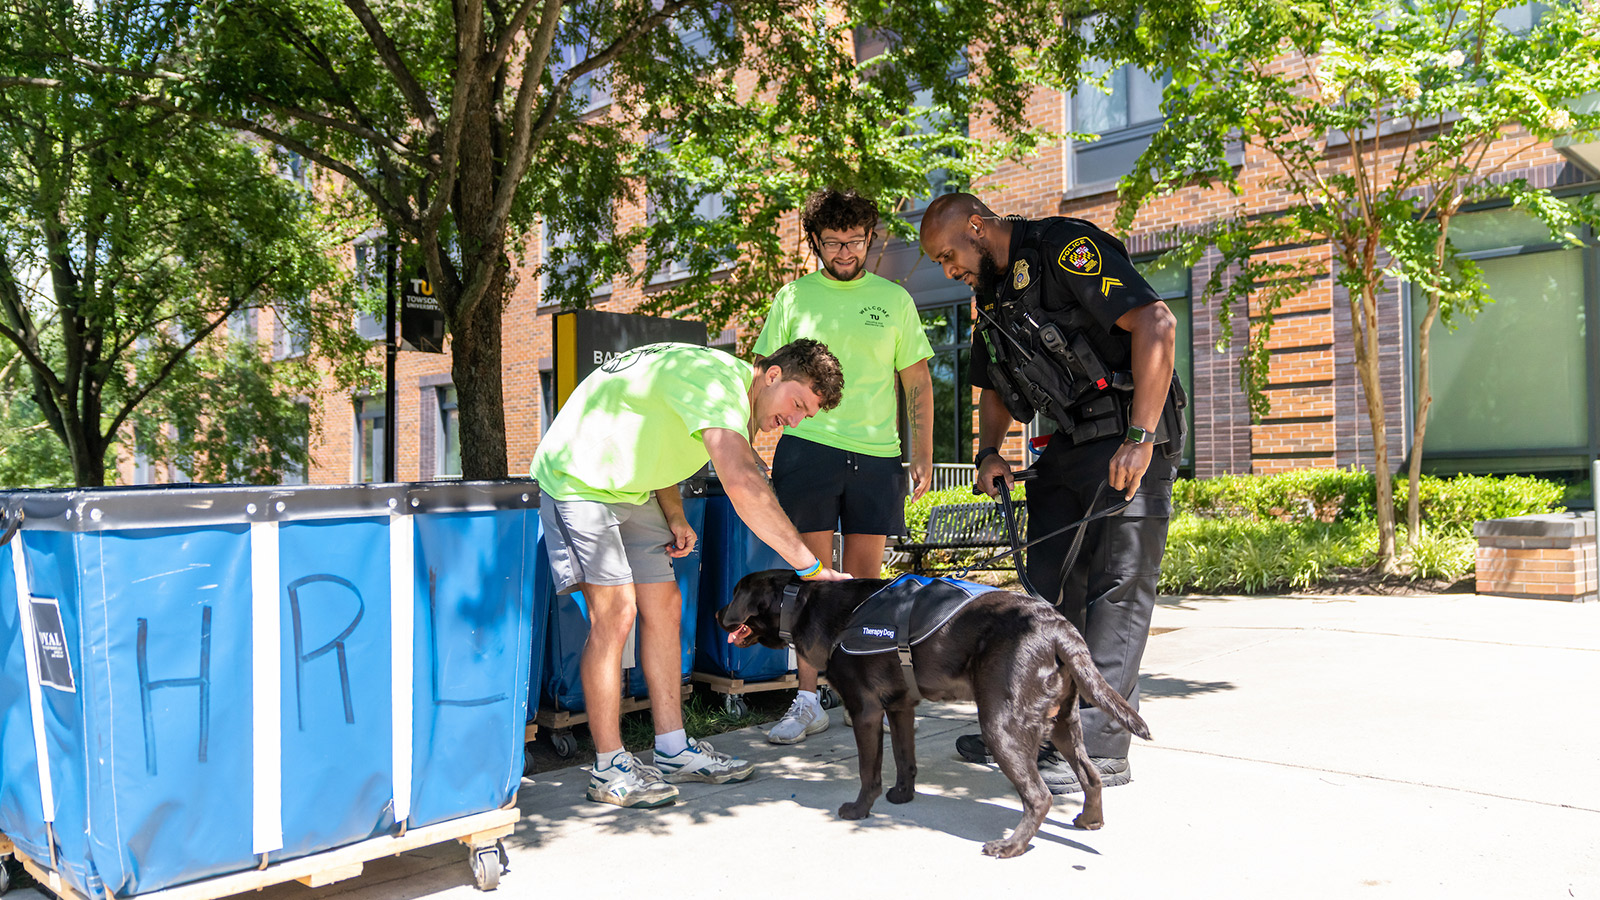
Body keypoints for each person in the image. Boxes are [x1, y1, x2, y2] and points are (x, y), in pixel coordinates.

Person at [917, 192, 1186, 794]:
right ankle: (1041, 730)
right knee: (1050, 590)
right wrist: (989, 451)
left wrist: (1141, 437)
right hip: (1067, 440)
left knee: (1118, 587)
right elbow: (993, 390)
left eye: (947, 255)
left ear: (977, 228)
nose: (948, 270)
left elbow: (1156, 323)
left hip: (1128, 428)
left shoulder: (1066, 246)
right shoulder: (990, 295)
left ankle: (1103, 748)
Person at [530, 338, 853, 808]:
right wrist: (811, 568)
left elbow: (651, 438)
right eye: (798, 404)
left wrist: (675, 514)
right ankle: (607, 767)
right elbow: (742, 482)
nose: (796, 420)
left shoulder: (709, 387)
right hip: (577, 479)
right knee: (616, 613)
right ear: (773, 375)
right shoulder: (718, 381)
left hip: (631, 487)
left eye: (807, 415)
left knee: (665, 604)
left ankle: (673, 749)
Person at [753, 188, 935, 744]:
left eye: (854, 240)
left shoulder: (895, 299)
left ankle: (866, 688)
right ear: (816, 242)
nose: (844, 251)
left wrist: (921, 451)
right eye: (832, 242)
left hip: (878, 455)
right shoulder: (792, 297)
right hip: (809, 449)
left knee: (864, 582)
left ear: (870, 236)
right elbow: (763, 375)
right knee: (813, 576)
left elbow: (918, 382)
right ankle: (807, 700)